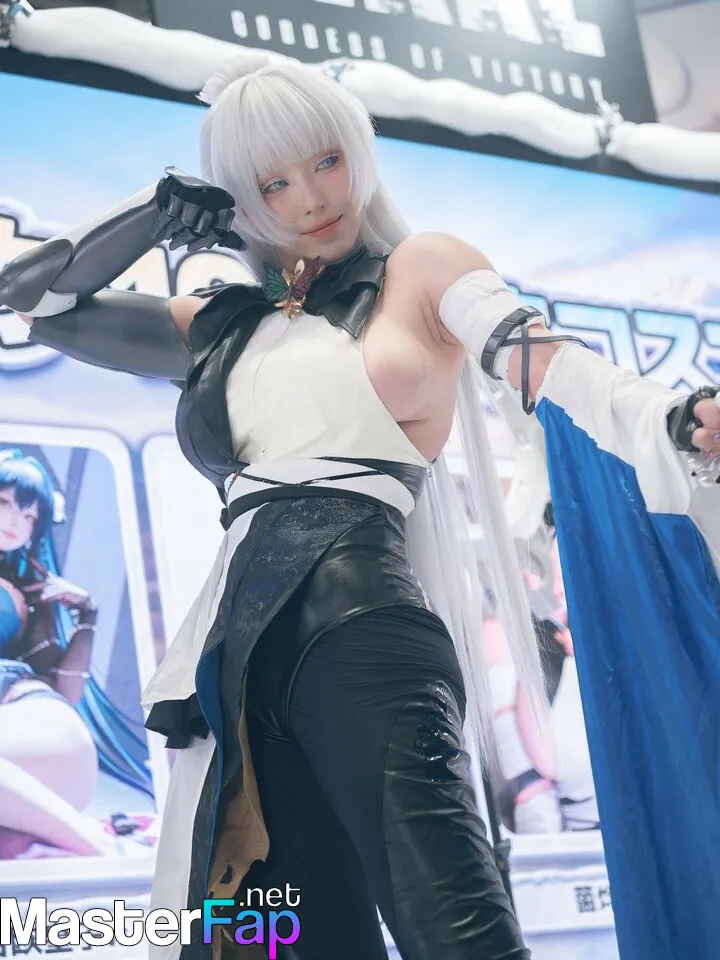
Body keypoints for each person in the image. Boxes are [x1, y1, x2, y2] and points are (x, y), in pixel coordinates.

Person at [1, 55, 718, 960]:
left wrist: (670, 417)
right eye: (274, 183)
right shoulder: (222, 323)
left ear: (358, 152)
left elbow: (537, 354)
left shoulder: (422, 270)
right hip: (237, 655)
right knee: (271, 939)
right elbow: (34, 301)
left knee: (455, 930)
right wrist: (153, 210)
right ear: (241, 199)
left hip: (363, 623)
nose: (311, 198)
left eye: (326, 161)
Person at [0, 449, 153, 858]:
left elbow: (65, 692)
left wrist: (88, 615)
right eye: (4, 503)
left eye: (29, 516)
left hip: (38, 728)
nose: (15, 521)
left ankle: (105, 851)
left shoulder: (28, 594)